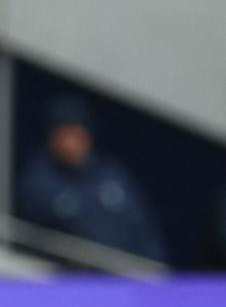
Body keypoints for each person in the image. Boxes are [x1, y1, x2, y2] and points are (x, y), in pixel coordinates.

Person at [16, 96, 166, 263]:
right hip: (72, 280)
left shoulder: (111, 173)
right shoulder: (38, 180)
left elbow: (143, 228)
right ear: (52, 137)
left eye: (76, 132)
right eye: (65, 133)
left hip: (124, 278)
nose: (71, 141)